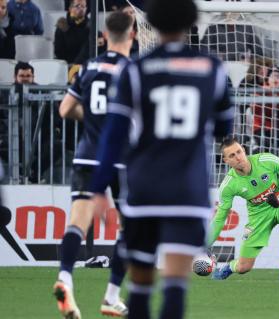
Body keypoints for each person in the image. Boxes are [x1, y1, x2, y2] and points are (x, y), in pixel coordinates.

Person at [89, 0, 233, 318]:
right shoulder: (212, 68)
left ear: (149, 22)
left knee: (140, 284)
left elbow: (113, 136)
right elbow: (225, 127)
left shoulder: (135, 70)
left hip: (145, 187)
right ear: (191, 23)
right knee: (175, 284)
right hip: (188, 189)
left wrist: (99, 188)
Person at [52, 11, 135, 319]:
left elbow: (65, 109)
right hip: (122, 160)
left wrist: (95, 122)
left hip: (87, 154)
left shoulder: (87, 67)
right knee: (131, 228)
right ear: (132, 35)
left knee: (77, 223)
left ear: (104, 36)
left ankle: (64, 278)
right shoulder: (132, 70)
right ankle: (111, 296)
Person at [210, 136, 279, 281]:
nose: (238, 157)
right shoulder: (228, 185)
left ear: (244, 149)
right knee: (244, 267)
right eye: (232, 155)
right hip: (258, 215)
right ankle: (229, 267)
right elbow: (219, 219)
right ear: (226, 161)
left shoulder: (266, 160)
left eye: (239, 152)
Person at [54, 0, 89, 64]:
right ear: (70, 9)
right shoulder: (62, 26)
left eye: (83, 6)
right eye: (77, 6)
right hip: (67, 65)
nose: (81, 9)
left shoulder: (90, 25)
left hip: (86, 65)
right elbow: (59, 52)